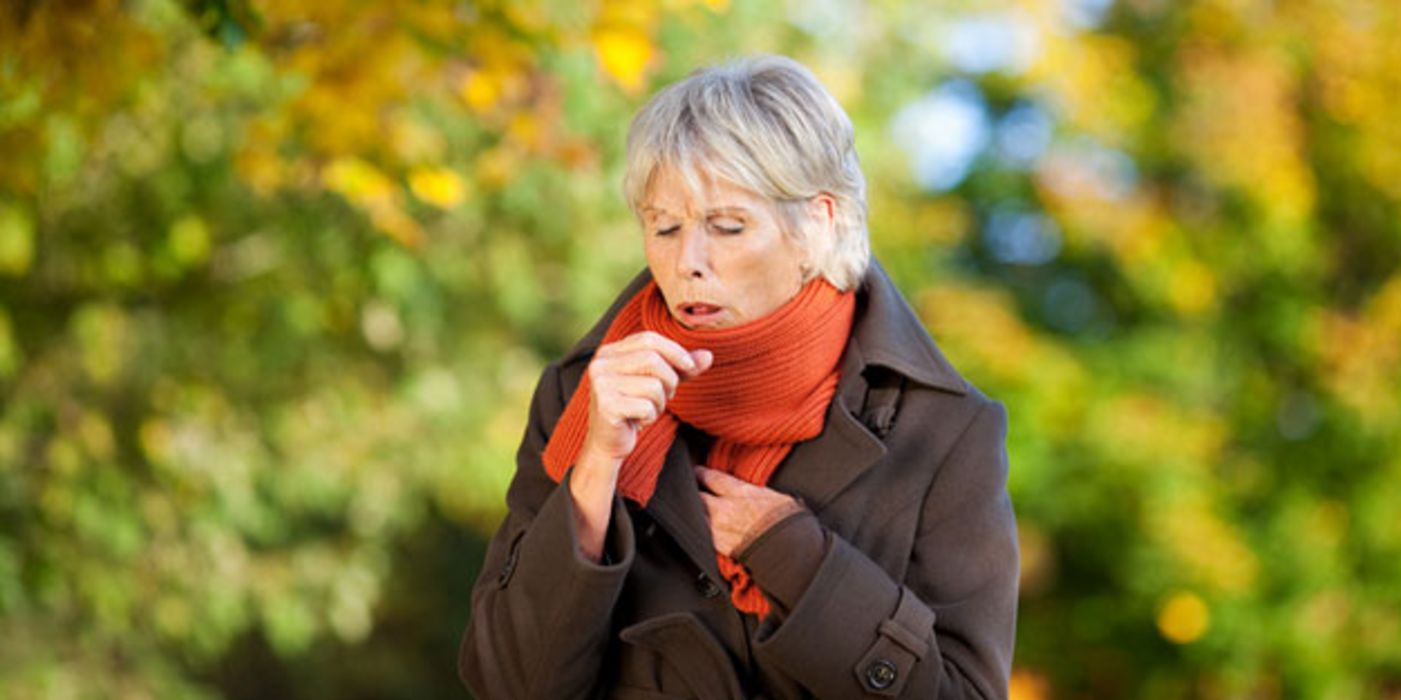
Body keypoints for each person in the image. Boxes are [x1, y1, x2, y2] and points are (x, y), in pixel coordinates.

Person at [458, 54, 1018, 700]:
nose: (687, 261)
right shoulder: (585, 395)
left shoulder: (945, 429)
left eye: (726, 226)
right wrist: (593, 475)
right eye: (663, 227)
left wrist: (795, 558)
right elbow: (505, 684)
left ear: (818, 222)